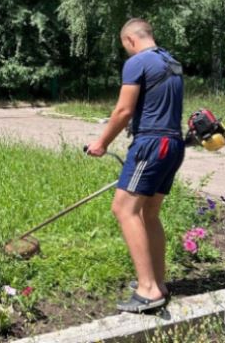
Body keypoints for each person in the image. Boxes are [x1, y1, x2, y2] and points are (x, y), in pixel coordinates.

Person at [86, 18, 184, 313]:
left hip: (150, 145)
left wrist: (101, 143)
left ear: (130, 40)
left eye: (124, 47)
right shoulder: (171, 62)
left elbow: (123, 110)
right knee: (150, 213)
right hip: (172, 145)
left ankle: (148, 290)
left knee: (124, 209)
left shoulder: (138, 62)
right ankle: (158, 282)